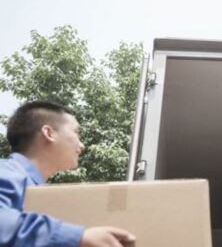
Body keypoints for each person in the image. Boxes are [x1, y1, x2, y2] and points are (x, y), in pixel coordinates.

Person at [0, 101, 136, 247]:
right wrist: (79, 237)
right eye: (76, 132)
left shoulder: (34, 188)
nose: (82, 145)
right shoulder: (7, 171)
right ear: (49, 133)